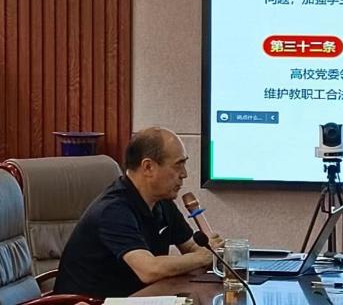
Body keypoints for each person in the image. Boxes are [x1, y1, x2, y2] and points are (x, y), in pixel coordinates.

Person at [54, 127, 223, 298]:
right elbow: (148, 270)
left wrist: (214, 251)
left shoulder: (162, 202)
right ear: (148, 167)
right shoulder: (113, 209)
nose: (184, 174)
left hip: (136, 297)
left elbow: (191, 247)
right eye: (178, 165)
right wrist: (203, 257)